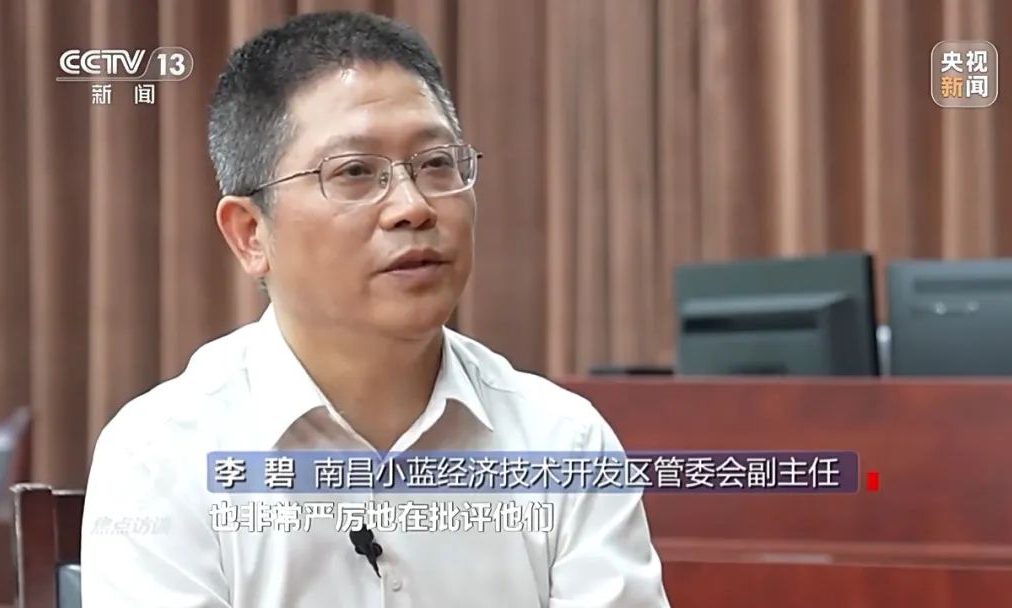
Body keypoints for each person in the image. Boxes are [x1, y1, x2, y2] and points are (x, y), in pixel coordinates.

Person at [81, 11, 669, 607]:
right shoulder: (162, 457)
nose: (412, 207)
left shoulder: (563, 442)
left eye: (436, 163)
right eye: (355, 172)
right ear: (251, 234)